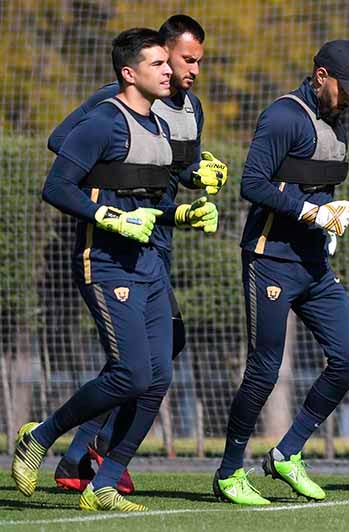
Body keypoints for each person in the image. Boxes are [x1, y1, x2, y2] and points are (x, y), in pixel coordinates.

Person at [12, 27, 218, 512]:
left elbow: (154, 200)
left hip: (149, 265)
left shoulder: (162, 129)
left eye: (169, 65)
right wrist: (108, 217)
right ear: (129, 73)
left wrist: (184, 213)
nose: (169, 70)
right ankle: (39, 437)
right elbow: (57, 187)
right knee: (129, 374)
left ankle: (102, 483)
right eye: (158, 64)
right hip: (104, 264)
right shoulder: (103, 122)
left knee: (159, 376)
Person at [211, 39, 349, 506]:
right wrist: (310, 212)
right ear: (320, 75)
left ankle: (287, 454)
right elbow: (253, 184)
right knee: (265, 371)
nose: (348, 99)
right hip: (269, 260)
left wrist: (331, 215)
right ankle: (228, 474)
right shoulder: (284, 116)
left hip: (315, 266)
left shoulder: (337, 124)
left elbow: (315, 185)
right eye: (343, 89)